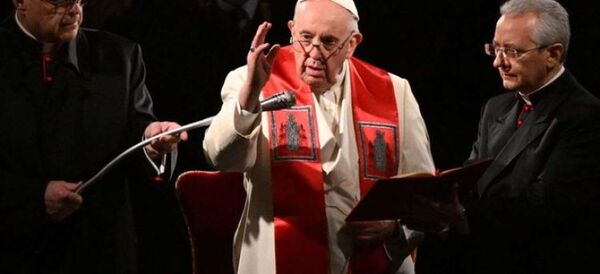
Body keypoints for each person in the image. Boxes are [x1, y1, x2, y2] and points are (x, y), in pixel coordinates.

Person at [203, 0, 435, 273]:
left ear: (352, 43)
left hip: (371, 262)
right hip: (280, 261)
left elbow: (424, 193)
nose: (314, 53)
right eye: (305, 38)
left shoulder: (395, 92)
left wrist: (394, 226)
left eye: (328, 42)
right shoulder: (251, 80)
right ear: (291, 29)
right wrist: (250, 96)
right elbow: (222, 158)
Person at [405, 1, 600, 273]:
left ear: (553, 55)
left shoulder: (584, 115)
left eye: (512, 51)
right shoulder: (495, 107)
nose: (498, 62)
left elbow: (549, 205)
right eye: (495, 49)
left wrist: (459, 214)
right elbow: (470, 180)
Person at [0, 0, 188, 273]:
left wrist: (152, 142)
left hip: (99, 252)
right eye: (60, 2)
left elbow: (138, 130)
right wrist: (33, 199)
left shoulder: (120, 56)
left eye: (78, 0)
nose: (74, 10)